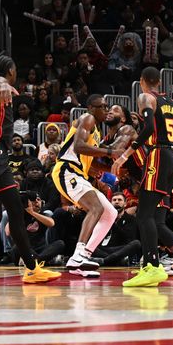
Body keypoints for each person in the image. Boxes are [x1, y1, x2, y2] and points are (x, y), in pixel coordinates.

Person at [0, 55, 61, 283]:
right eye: (14, 70)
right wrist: (3, 85)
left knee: (16, 210)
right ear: (9, 70)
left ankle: (32, 269)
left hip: (0, 155)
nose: (16, 73)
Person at [112, 66, 173, 287]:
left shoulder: (145, 97)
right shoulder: (172, 103)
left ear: (142, 81)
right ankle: (171, 261)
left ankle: (152, 266)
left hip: (158, 155)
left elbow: (147, 128)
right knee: (152, 215)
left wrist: (124, 156)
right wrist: (170, 149)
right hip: (172, 157)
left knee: (144, 215)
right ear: (159, 81)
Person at [51, 94, 124, 277]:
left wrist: (113, 168)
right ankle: (78, 254)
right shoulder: (87, 118)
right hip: (67, 170)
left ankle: (81, 258)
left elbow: (90, 162)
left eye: (108, 106)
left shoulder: (96, 131)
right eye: (103, 106)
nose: (106, 110)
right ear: (91, 108)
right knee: (96, 208)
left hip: (79, 174)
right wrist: (110, 152)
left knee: (110, 213)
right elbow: (78, 147)